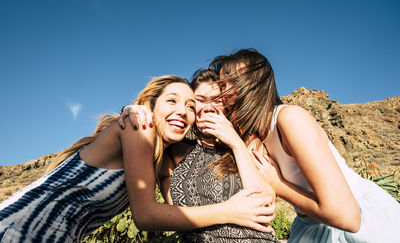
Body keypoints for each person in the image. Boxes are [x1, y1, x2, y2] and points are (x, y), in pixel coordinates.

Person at [0, 75, 274, 243]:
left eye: (190, 106)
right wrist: (231, 210)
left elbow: (173, 210)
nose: (183, 111)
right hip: (24, 227)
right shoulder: (141, 128)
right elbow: (145, 215)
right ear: (150, 105)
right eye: (172, 101)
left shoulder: (158, 155)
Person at [206, 48, 400, 242]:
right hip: (311, 227)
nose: (222, 92)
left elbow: (347, 218)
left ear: (254, 84)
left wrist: (277, 184)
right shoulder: (253, 136)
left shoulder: (289, 118)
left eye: (227, 83)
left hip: (361, 228)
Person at [120, 69, 280, 242]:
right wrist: (136, 110)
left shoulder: (248, 143)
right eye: (200, 101)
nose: (209, 107)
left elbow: (266, 206)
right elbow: (155, 125)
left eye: (217, 100)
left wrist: (235, 143)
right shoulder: (173, 151)